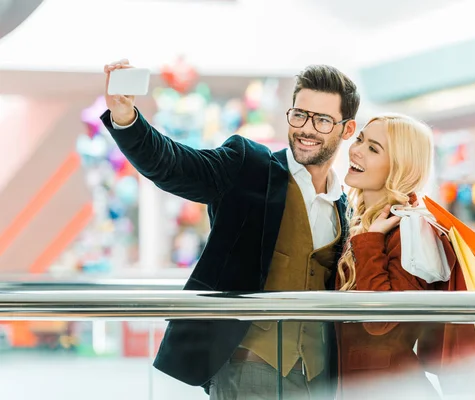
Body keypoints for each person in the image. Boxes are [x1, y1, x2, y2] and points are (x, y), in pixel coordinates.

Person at [101, 59, 359, 399]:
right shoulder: (248, 166)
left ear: (347, 129)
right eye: (300, 115)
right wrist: (126, 118)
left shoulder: (346, 207)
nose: (306, 129)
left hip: (320, 379)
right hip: (247, 371)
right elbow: (172, 165)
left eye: (323, 120)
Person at [335, 114, 455, 399]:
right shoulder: (356, 221)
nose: (356, 150)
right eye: (360, 139)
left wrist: (371, 241)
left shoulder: (411, 229)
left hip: (390, 389)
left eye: (374, 149)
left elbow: (381, 322)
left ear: (400, 167)